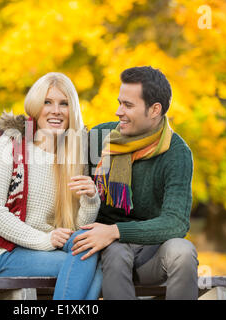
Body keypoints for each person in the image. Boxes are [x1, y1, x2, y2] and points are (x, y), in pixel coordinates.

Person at [0, 72, 102, 300]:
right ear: (35, 106)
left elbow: (77, 228)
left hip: (46, 251)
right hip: (2, 252)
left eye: (64, 104)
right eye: (47, 102)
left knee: (88, 251)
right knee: (85, 261)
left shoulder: (72, 157)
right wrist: (45, 240)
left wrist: (90, 199)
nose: (56, 111)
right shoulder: (12, 144)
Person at [72, 66, 199, 299]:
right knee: (116, 252)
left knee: (183, 251)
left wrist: (116, 231)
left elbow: (176, 223)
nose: (118, 111)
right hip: (106, 252)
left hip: (151, 253)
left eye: (128, 105)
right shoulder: (100, 138)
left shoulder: (176, 153)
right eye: (120, 102)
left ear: (155, 110)